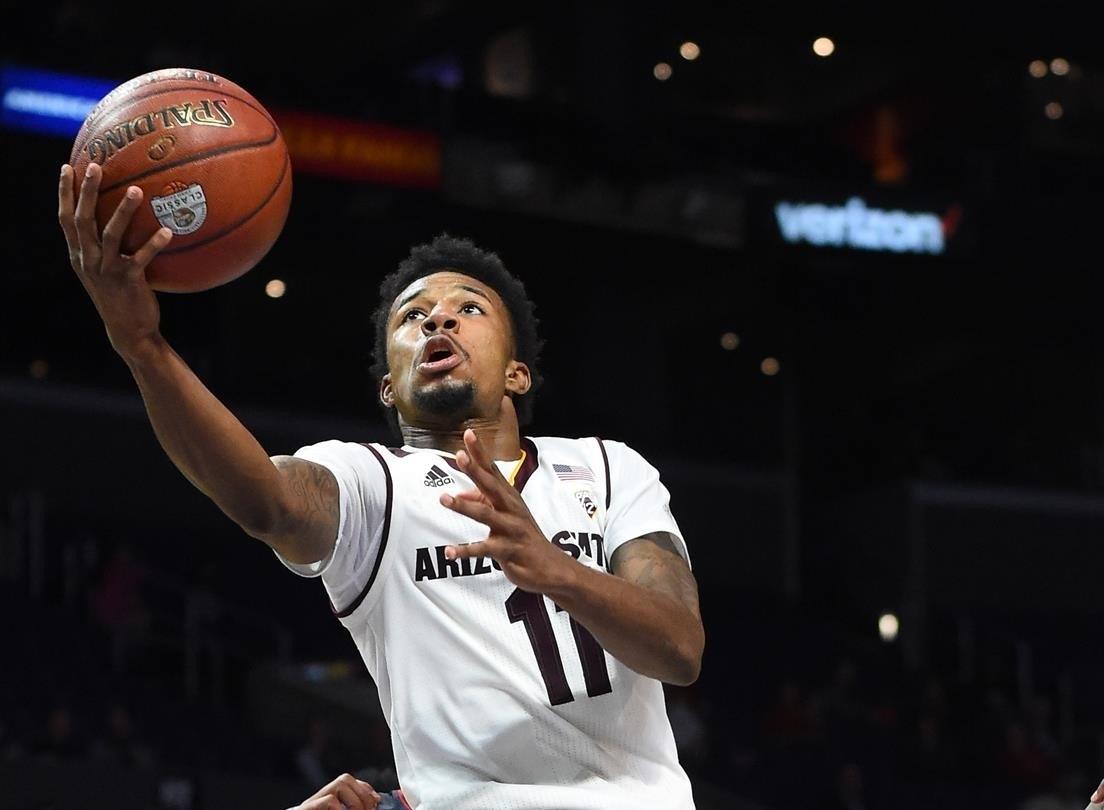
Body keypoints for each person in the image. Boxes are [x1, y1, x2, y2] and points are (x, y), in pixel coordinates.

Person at [59, 162, 704, 808]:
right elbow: (264, 501)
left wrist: (557, 570)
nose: (438, 322)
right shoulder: (372, 485)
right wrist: (142, 345)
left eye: (468, 309)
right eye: (413, 317)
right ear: (389, 388)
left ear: (517, 373)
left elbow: (679, 648)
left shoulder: (608, 467)